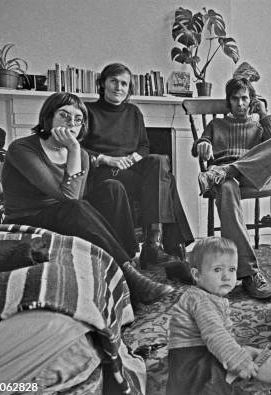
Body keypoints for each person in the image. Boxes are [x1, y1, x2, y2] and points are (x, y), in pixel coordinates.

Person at [2, 92, 172, 305]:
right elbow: (69, 197)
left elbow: (77, 196)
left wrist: (75, 151)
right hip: (29, 218)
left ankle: (128, 263)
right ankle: (131, 279)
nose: (71, 123)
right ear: (48, 118)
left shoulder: (81, 155)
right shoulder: (23, 149)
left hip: (64, 214)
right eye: (63, 115)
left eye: (78, 119)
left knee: (112, 188)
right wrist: (73, 148)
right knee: (75, 207)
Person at [165, 237, 271, 395]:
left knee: (247, 351)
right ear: (196, 274)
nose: (226, 276)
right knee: (245, 357)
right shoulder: (200, 300)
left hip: (200, 355)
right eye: (217, 270)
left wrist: (237, 355)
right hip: (194, 366)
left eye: (231, 269)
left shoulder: (206, 296)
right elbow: (215, 335)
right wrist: (238, 361)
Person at [194, 77, 271, 300]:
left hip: (251, 175)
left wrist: (263, 114)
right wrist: (203, 145)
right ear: (229, 102)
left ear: (251, 100)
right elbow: (201, 145)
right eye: (235, 99)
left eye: (245, 98)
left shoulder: (259, 126)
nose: (241, 104)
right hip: (226, 181)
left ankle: (227, 170)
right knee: (227, 187)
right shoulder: (216, 125)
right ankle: (249, 274)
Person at [82, 62, 194, 267]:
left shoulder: (134, 112)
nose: (118, 87)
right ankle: (163, 246)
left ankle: (153, 242)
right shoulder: (88, 111)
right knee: (167, 181)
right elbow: (77, 148)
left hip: (132, 168)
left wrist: (135, 157)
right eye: (113, 81)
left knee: (160, 161)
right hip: (106, 172)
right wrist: (107, 159)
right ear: (102, 84)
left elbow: (144, 146)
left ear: (129, 89)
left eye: (124, 84)